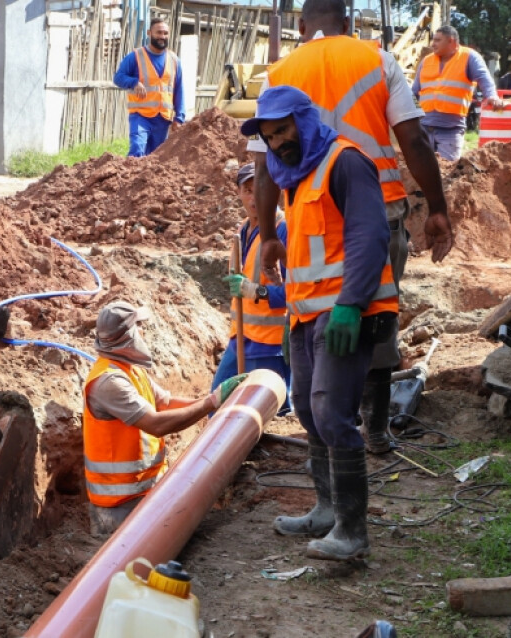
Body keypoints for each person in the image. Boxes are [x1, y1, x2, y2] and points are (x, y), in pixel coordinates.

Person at [250, 0, 454, 455]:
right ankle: (375, 431)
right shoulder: (377, 60)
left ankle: (329, 432)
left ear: (301, 26)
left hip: (310, 216)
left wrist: (267, 235)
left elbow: (263, 169)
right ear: (347, 23)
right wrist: (437, 207)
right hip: (377, 210)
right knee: (375, 314)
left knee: (313, 317)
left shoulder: (279, 74)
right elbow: (415, 139)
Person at [241, 86, 399, 561]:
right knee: (309, 412)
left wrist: (351, 304)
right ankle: (327, 510)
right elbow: (308, 256)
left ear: (305, 121)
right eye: (269, 138)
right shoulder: (298, 174)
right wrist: (293, 314)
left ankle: (352, 531)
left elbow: (370, 236)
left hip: (347, 311)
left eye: (283, 131)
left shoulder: (344, 162)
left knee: (332, 413)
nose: (277, 144)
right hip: (309, 313)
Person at [83, 301, 247, 535]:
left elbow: (166, 403)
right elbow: (156, 424)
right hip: (120, 508)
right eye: (140, 326)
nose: (144, 330)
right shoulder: (109, 382)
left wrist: (217, 399)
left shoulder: (131, 370)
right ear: (128, 335)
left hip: (144, 494)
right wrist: (211, 403)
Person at [212, 162, 291, 412]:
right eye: (247, 190)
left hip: (270, 344)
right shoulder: (243, 230)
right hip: (241, 338)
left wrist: (256, 291)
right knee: (217, 405)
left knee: (267, 412)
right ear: (238, 193)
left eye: (261, 188)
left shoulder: (284, 230)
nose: (254, 197)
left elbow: (297, 291)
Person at [412, 25, 503, 161]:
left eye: (438, 40)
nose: (433, 44)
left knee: (447, 171)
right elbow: (414, 92)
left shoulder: (469, 57)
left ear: (452, 42)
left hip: (450, 129)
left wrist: (491, 96)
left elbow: (484, 78)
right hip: (424, 127)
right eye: (433, 40)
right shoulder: (426, 61)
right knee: (423, 171)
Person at [113, 18, 186, 157]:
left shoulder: (174, 60)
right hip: (140, 116)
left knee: (157, 157)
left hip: (163, 118)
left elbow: (179, 89)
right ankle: (131, 177)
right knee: (137, 149)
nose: (162, 36)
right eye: (159, 32)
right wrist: (134, 82)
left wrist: (179, 117)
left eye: (165, 33)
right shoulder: (135, 57)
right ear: (149, 33)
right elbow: (118, 78)